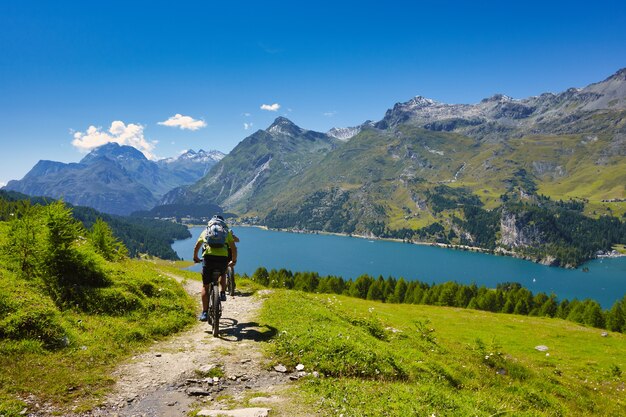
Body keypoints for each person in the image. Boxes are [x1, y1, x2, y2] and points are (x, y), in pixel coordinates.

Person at [193, 215, 237, 322]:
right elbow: (233, 247)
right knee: (223, 274)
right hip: (222, 260)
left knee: (205, 286)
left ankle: (204, 312)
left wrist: (196, 257)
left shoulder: (206, 231)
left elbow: (197, 246)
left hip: (208, 260)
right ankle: (222, 293)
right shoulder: (226, 232)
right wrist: (233, 260)